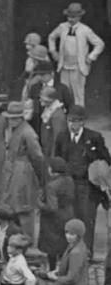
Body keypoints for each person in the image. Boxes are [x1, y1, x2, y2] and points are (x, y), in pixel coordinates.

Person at [54, 105, 111, 258]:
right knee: (68, 216)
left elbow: (106, 159)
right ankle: (68, 251)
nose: (73, 125)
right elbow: (56, 159)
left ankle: (86, 251)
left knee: (86, 217)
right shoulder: (62, 137)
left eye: (77, 121)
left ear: (83, 122)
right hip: (68, 183)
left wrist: (95, 169)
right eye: (70, 121)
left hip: (87, 185)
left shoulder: (94, 138)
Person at [1, 101, 45, 239]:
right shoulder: (16, 130)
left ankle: (27, 240)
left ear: (21, 117)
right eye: (10, 118)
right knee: (12, 206)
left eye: (15, 118)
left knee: (23, 208)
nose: (12, 121)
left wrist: (41, 177)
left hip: (23, 173)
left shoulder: (28, 132)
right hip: (13, 171)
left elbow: (38, 156)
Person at [47, 2, 105, 108]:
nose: (70, 19)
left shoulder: (85, 30)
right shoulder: (62, 27)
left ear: (79, 17)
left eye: (73, 17)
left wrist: (91, 57)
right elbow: (51, 37)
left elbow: (100, 44)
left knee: (78, 93)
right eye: (69, 17)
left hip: (78, 67)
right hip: (64, 66)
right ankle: (66, 116)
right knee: (64, 92)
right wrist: (53, 51)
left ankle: (78, 117)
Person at [38, 157, 76, 271]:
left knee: (52, 247)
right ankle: (64, 269)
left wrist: (39, 203)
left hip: (53, 220)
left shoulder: (52, 185)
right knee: (64, 244)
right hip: (68, 214)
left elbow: (52, 207)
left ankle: (52, 270)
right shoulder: (69, 180)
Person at [39, 86, 68, 158]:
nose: (40, 100)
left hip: (52, 155)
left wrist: (53, 160)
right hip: (47, 151)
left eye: (42, 98)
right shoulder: (48, 110)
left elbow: (57, 140)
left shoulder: (57, 115)